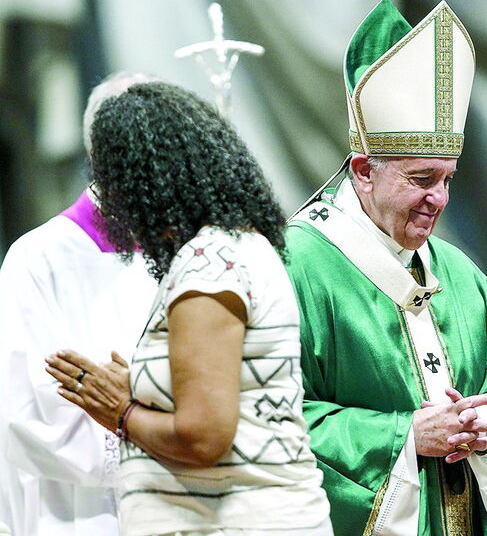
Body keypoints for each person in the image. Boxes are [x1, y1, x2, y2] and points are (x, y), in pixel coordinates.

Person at [286, 0, 487, 535]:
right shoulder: (297, 266)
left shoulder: (460, 273)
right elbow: (269, 419)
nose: (440, 199)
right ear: (363, 171)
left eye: (448, 179)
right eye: (421, 179)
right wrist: (406, 436)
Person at [45, 81, 333, 536]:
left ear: (142, 183)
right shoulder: (234, 248)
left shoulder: (209, 267)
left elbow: (203, 437)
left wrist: (122, 411)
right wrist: (143, 388)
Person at [0, 72, 157, 536]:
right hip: (76, 511)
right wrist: (152, 434)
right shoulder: (39, 259)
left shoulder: (190, 250)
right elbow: (27, 410)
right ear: (98, 154)